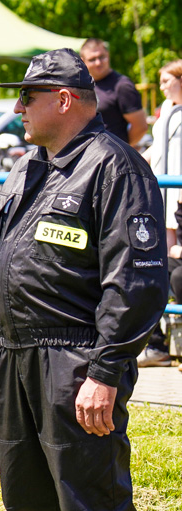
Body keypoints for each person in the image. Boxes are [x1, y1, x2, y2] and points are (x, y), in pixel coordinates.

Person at [0, 48, 168, 511]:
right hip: (19, 359)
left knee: (92, 507)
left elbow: (136, 280)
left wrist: (105, 371)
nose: (18, 107)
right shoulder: (25, 169)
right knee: (32, 507)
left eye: (27, 96)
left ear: (63, 99)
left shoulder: (114, 166)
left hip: (76, 362)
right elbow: (0, 263)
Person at [141, 60, 182, 368]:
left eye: (168, 80)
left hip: (178, 197)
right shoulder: (168, 109)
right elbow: (156, 147)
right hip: (163, 196)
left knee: (175, 268)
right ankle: (161, 342)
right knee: (163, 265)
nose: (164, 86)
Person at [80, 38, 148, 147]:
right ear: (83, 61)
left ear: (108, 55)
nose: (98, 63)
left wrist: (121, 150)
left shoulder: (122, 85)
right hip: (87, 155)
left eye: (102, 57)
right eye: (92, 59)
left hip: (111, 158)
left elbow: (140, 127)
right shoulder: (81, 84)